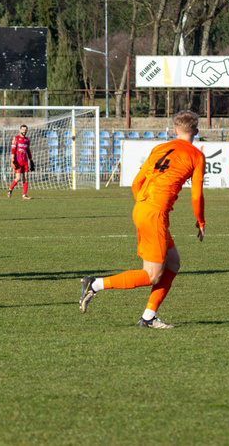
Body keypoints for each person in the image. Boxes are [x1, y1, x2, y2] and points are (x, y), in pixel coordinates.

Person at [78, 110, 205, 329]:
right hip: (154, 213)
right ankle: (95, 284)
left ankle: (148, 317)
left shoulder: (159, 148)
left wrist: (145, 205)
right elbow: (196, 194)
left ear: (175, 131)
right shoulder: (196, 155)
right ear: (197, 131)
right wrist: (200, 221)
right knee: (153, 275)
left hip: (143, 207)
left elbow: (136, 183)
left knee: (173, 263)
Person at [7, 124, 34, 200]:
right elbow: (13, 150)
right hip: (17, 161)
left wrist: (31, 160)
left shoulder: (27, 140)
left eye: (25, 130)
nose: (24, 131)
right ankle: (10, 189)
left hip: (25, 161)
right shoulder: (15, 139)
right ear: (20, 130)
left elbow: (28, 151)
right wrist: (12, 160)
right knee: (18, 178)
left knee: (25, 178)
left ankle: (24, 195)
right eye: (23, 130)